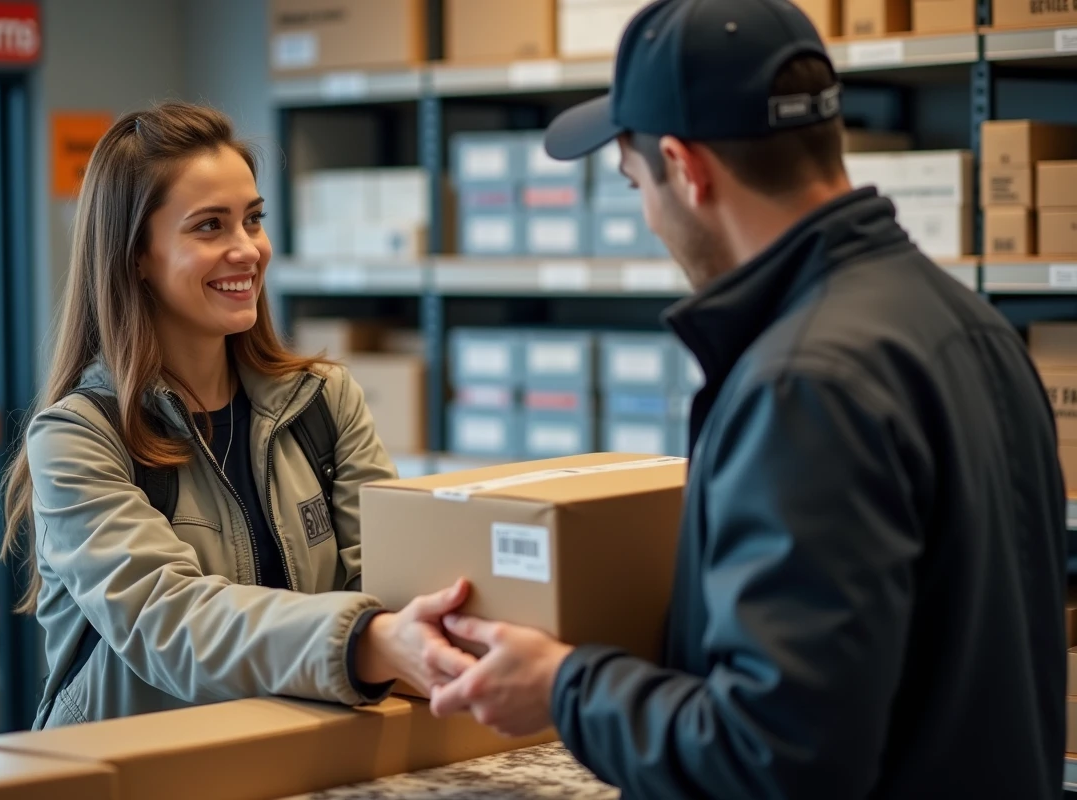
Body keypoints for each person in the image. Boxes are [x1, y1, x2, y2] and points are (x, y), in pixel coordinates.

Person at [424, 1, 1068, 797]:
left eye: (636, 184)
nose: (649, 218)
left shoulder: (805, 384)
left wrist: (566, 687)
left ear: (686, 169)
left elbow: (775, 758)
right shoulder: (967, 323)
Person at [0, 102, 476, 730]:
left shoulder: (323, 400)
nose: (247, 249)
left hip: (297, 756)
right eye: (209, 227)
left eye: (253, 219)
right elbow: (168, 621)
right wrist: (365, 640)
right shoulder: (78, 438)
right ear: (136, 254)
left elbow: (390, 575)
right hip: (135, 772)